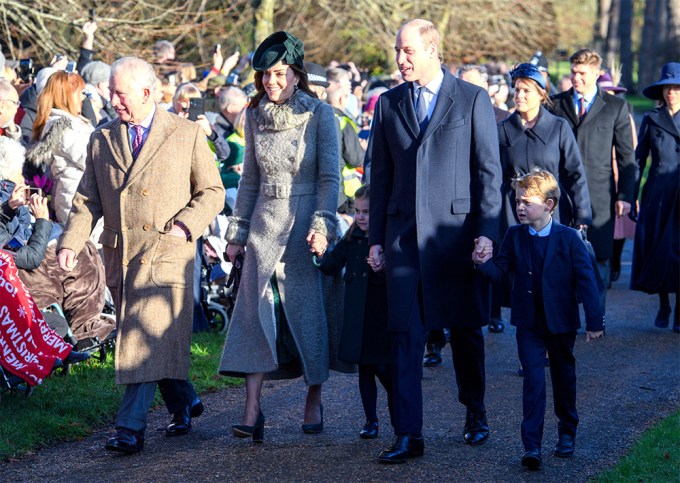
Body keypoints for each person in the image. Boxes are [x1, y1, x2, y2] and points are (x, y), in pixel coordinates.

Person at [57, 57, 225, 454]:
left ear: (147, 94)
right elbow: (86, 201)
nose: (112, 100)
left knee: (140, 339)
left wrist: (186, 225)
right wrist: (69, 242)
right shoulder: (101, 139)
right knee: (151, 338)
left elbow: (213, 192)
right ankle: (184, 400)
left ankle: (129, 428)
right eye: (111, 92)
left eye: (120, 93)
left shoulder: (184, 134)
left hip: (167, 254)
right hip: (121, 256)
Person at [365, 19, 502, 463]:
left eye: (407, 51)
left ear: (431, 49)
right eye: (397, 51)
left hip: (456, 239)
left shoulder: (471, 98)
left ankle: (475, 411)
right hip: (403, 241)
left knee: (465, 332)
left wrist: (487, 231)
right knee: (404, 336)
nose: (400, 59)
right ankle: (409, 434)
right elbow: (380, 177)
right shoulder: (387, 104)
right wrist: (376, 240)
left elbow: (487, 173)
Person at [219, 31, 340, 442]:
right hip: (262, 229)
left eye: (279, 73)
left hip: (305, 228)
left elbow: (330, 179)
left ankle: (313, 396)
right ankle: (252, 409)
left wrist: (322, 225)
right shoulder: (253, 115)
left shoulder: (320, 115)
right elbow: (249, 180)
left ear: (296, 74)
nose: (271, 81)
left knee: (308, 317)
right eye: (265, 75)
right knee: (255, 315)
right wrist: (236, 233)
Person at [473, 169, 604, 470]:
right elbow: (501, 272)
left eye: (526, 202)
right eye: (517, 201)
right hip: (529, 324)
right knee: (532, 382)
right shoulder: (514, 235)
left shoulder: (569, 239)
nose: (519, 207)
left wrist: (595, 322)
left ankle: (567, 431)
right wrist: (482, 264)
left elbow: (587, 282)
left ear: (548, 205)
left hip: (561, 322)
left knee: (563, 377)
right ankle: (531, 446)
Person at [492, 63, 592, 333]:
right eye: (516, 90)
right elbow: (492, 177)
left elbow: (575, 173)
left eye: (526, 90)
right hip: (514, 216)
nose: (519, 96)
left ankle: (551, 340)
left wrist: (582, 215)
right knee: (522, 281)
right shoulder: (502, 131)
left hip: (551, 215)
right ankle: (530, 346)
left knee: (550, 277)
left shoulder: (558, 128)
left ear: (540, 94)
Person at [550, 49, 636, 316]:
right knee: (559, 256)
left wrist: (625, 195)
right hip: (562, 193)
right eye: (573, 72)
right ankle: (563, 318)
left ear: (596, 75)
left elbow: (626, 156)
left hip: (600, 193)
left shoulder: (615, 107)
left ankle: (595, 318)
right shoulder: (555, 104)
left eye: (582, 73)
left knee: (598, 257)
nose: (576, 77)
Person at [313, 184, 392, 440]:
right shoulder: (351, 237)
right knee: (365, 371)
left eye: (367, 212)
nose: (360, 217)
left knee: (384, 369)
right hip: (358, 316)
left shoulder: (387, 239)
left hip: (380, 315)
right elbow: (333, 264)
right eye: (357, 211)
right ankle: (371, 420)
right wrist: (320, 254)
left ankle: (399, 414)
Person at [631, 62, 680, 332]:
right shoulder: (651, 119)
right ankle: (664, 304)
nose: (671, 92)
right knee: (658, 247)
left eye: (676, 87)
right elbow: (639, 161)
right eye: (667, 88)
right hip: (658, 190)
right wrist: (632, 195)